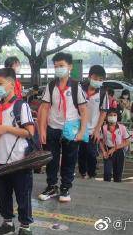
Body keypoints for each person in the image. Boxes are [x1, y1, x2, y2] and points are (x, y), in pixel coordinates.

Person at [37, 52, 88, 203]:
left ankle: (65, 187)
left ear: (70, 67)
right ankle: (52, 186)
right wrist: (42, 129)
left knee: (69, 160)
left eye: (61, 66)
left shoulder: (76, 86)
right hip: (53, 128)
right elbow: (45, 108)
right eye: (56, 66)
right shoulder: (51, 85)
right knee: (51, 159)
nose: (58, 69)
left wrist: (82, 131)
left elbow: (84, 110)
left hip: (70, 129)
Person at [0, 68, 35, 235]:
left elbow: (30, 132)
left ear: (11, 84)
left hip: (19, 159)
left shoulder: (21, 106)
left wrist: (6, 129)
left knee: (23, 194)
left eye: (0, 84)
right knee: (3, 194)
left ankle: (25, 226)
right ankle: (7, 223)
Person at [78, 65, 109, 179]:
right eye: (95, 78)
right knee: (81, 153)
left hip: (92, 130)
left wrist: (97, 130)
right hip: (79, 128)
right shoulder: (79, 89)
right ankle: (82, 172)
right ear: (89, 76)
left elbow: (103, 112)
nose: (97, 81)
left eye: (101, 80)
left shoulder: (102, 93)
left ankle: (92, 173)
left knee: (91, 153)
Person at [100, 108, 130, 182]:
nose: (112, 117)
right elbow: (101, 141)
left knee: (118, 174)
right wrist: (103, 151)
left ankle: (117, 190)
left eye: (114, 115)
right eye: (110, 115)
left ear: (117, 116)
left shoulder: (122, 127)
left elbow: (127, 142)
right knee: (107, 173)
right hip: (108, 152)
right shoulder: (103, 128)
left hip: (119, 152)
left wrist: (115, 148)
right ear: (107, 117)